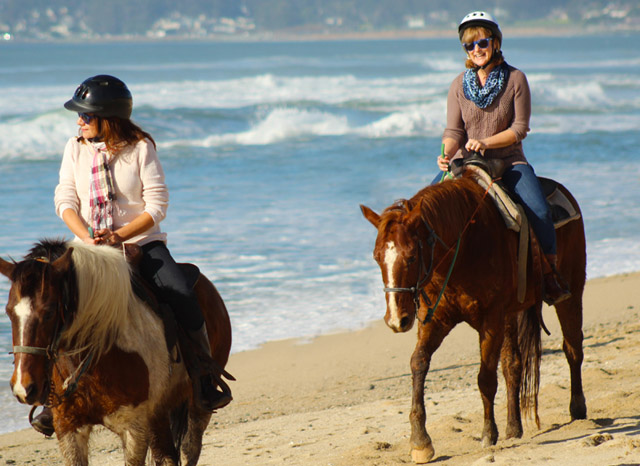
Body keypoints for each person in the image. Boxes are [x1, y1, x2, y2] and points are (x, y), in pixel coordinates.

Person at [30, 75, 231, 436]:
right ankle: (51, 395)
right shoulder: (74, 147)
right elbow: (65, 199)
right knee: (52, 302)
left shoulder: (141, 148)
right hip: (89, 246)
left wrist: (120, 236)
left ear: (107, 118)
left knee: (181, 294)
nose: (79, 122)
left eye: (85, 116)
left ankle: (203, 377)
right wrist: (87, 237)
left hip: (143, 243)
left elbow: (157, 206)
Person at [436, 11, 570, 305]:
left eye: (482, 42)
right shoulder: (459, 84)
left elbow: (519, 129)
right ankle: (431, 282)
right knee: (427, 210)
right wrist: (445, 153)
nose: (476, 50)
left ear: (495, 42)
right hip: (467, 162)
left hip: (508, 161)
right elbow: (453, 131)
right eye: (469, 46)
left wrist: (485, 142)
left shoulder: (516, 79)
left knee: (539, 211)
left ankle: (550, 275)